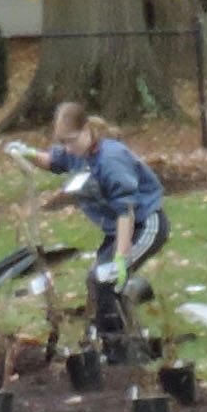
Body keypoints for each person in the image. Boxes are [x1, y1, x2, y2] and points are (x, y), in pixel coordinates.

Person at [48, 102, 166, 328]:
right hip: (118, 230)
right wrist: (26, 154)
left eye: (70, 140)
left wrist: (121, 259)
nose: (67, 148)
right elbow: (54, 161)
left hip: (144, 225)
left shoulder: (110, 159)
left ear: (86, 130)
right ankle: (120, 329)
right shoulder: (78, 152)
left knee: (106, 279)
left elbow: (126, 212)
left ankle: (119, 344)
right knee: (98, 280)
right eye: (62, 142)